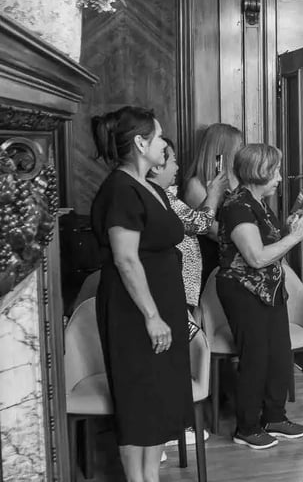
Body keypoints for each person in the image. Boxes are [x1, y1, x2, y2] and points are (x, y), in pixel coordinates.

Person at [89, 106, 192, 481]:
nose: (165, 144)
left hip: (162, 305)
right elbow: (126, 259)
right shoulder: (120, 189)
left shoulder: (149, 185)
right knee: (139, 399)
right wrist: (151, 315)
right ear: (140, 142)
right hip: (135, 312)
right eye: (160, 136)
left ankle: (151, 477)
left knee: (157, 399)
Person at [216, 144, 303, 449]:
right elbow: (256, 257)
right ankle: (246, 427)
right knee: (256, 358)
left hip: (268, 290)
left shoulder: (258, 202)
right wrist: (294, 237)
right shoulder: (237, 207)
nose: (280, 178)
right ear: (258, 172)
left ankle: (274, 417)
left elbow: (266, 243)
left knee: (280, 354)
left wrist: (287, 230)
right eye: (274, 172)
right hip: (244, 290)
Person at [147, 139, 229, 333]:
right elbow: (200, 224)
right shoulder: (159, 195)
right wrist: (214, 195)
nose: (177, 166)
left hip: (180, 286)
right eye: (173, 160)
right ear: (157, 166)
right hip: (173, 287)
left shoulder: (161, 193)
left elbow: (188, 222)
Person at [183, 123, 244, 291]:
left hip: (239, 259)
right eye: (238, 146)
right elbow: (209, 229)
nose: (241, 151)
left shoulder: (238, 179)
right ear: (224, 149)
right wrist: (248, 241)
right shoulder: (196, 185)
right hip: (213, 261)